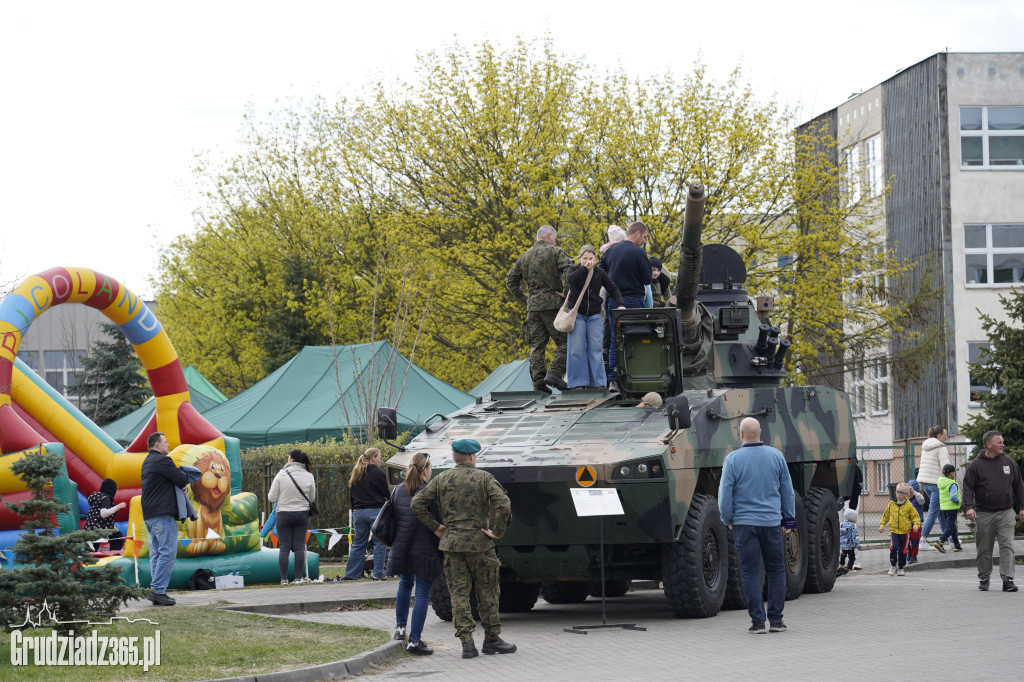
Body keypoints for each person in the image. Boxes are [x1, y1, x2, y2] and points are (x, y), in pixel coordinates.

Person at [411, 439, 516, 658]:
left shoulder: (442, 478)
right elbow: (504, 504)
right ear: (471, 456)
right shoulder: (484, 478)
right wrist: (497, 531)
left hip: (452, 545)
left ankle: (467, 644)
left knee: (459, 595)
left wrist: (436, 527)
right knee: (488, 593)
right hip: (480, 545)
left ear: (455, 457)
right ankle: (492, 639)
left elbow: (417, 503)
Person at [718, 417, 795, 634]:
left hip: (743, 524)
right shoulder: (776, 456)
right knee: (776, 570)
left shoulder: (732, 459)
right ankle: (777, 621)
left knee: (750, 573)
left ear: (740, 434)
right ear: (761, 432)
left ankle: (758, 623)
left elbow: (725, 494)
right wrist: (788, 520)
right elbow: (787, 492)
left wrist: (728, 520)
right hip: (772, 523)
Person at [506, 225, 573, 393]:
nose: (555, 241)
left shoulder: (524, 256)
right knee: (565, 342)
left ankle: (538, 383)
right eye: (555, 238)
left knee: (536, 346)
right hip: (553, 305)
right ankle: (555, 373)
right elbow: (571, 272)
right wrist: (566, 294)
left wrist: (526, 299)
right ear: (549, 236)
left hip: (534, 307)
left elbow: (511, 281)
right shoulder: (556, 252)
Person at [388, 452, 443, 656]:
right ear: (425, 470)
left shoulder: (398, 490)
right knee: (422, 593)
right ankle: (415, 641)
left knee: (404, 584)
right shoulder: (430, 492)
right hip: (425, 548)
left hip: (402, 547)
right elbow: (437, 525)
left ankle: (400, 629)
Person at [962, 431, 1024, 592]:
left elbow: (1019, 486)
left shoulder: (1009, 463)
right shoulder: (976, 465)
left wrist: (1023, 507)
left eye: (1003, 442)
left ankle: (1008, 579)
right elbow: (967, 487)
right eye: (999, 442)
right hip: (984, 513)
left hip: (1006, 512)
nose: (1003, 445)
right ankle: (984, 577)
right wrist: (969, 507)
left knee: (1007, 546)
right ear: (989, 445)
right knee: (984, 548)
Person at [565, 245, 624, 390]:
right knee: (577, 349)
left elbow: (613, 288)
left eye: (590, 258)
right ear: (579, 259)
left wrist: (620, 304)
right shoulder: (573, 270)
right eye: (584, 258)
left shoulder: (600, 273)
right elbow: (570, 280)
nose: (587, 261)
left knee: (596, 349)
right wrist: (584, 269)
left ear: (595, 259)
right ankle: (578, 383)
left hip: (594, 314)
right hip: (576, 313)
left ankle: (598, 383)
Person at [599, 221, 653, 381]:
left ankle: (614, 379)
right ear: (637, 233)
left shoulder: (610, 251)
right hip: (635, 300)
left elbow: (600, 272)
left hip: (614, 301)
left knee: (616, 340)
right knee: (640, 337)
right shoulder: (639, 253)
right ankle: (639, 375)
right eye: (644, 237)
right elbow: (647, 279)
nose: (644, 241)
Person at [140, 432, 189, 606]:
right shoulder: (162, 461)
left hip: (149, 515)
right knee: (167, 552)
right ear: (157, 445)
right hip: (163, 514)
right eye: (166, 442)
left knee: (156, 554)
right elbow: (182, 477)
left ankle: (157, 590)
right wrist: (182, 483)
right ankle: (158, 591)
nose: (168, 445)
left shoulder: (147, 462)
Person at [268, 449, 317, 584]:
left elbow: (271, 497)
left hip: (283, 514)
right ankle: (298, 578)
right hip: (302, 514)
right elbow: (312, 497)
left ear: (292, 460)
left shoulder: (281, 474)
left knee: (284, 548)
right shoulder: (309, 476)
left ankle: (284, 579)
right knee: (299, 547)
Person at [344, 448, 390, 581]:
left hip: (358, 512)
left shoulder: (356, 473)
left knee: (359, 543)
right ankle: (378, 573)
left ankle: (351, 574)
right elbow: (386, 492)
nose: (380, 460)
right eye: (379, 457)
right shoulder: (377, 473)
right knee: (379, 543)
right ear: (373, 458)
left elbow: (351, 495)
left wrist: (354, 511)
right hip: (375, 511)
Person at [919, 426, 952, 551]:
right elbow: (946, 467)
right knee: (933, 512)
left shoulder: (926, 446)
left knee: (939, 512)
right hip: (937, 484)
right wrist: (950, 478)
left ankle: (948, 538)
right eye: (945, 435)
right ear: (939, 436)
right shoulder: (941, 447)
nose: (946, 437)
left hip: (927, 483)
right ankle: (922, 540)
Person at [878, 483, 921, 577]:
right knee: (894, 548)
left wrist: (916, 525)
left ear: (907, 494)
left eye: (902, 492)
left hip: (905, 532)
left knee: (903, 551)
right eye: (897, 492)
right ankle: (893, 565)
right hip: (894, 531)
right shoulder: (892, 504)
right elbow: (886, 515)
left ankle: (901, 567)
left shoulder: (909, 506)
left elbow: (915, 517)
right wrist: (882, 525)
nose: (899, 494)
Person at [84, 477, 126, 551]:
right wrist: (118, 507)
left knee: (116, 535)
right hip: (99, 529)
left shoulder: (97, 497)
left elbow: (96, 515)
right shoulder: (106, 498)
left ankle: (90, 546)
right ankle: (114, 554)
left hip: (90, 527)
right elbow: (103, 514)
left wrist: (111, 526)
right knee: (117, 537)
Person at [935, 463, 963, 553]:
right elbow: (952, 497)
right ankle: (941, 541)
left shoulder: (942, 482)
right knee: (950, 526)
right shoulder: (952, 484)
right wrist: (958, 501)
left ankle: (957, 545)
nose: (954, 473)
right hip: (951, 507)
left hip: (944, 507)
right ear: (951, 473)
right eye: (954, 472)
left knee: (952, 526)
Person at [905, 478, 926, 564]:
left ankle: (914, 556)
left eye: (910, 492)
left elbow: (922, 500)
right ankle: (910, 552)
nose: (909, 494)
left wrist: (914, 492)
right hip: (907, 524)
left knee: (914, 541)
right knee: (907, 540)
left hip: (916, 524)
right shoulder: (906, 500)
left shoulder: (918, 499)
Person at [837, 508, 860, 576]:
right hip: (850, 545)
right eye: (856, 517)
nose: (857, 519)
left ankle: (842, 564)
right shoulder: (853, 526)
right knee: (852, 557)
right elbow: (855, 537)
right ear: (852, 518)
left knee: (843, 554)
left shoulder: (841, 524)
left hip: (842, 544)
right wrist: (858, 545)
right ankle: (849, 568)